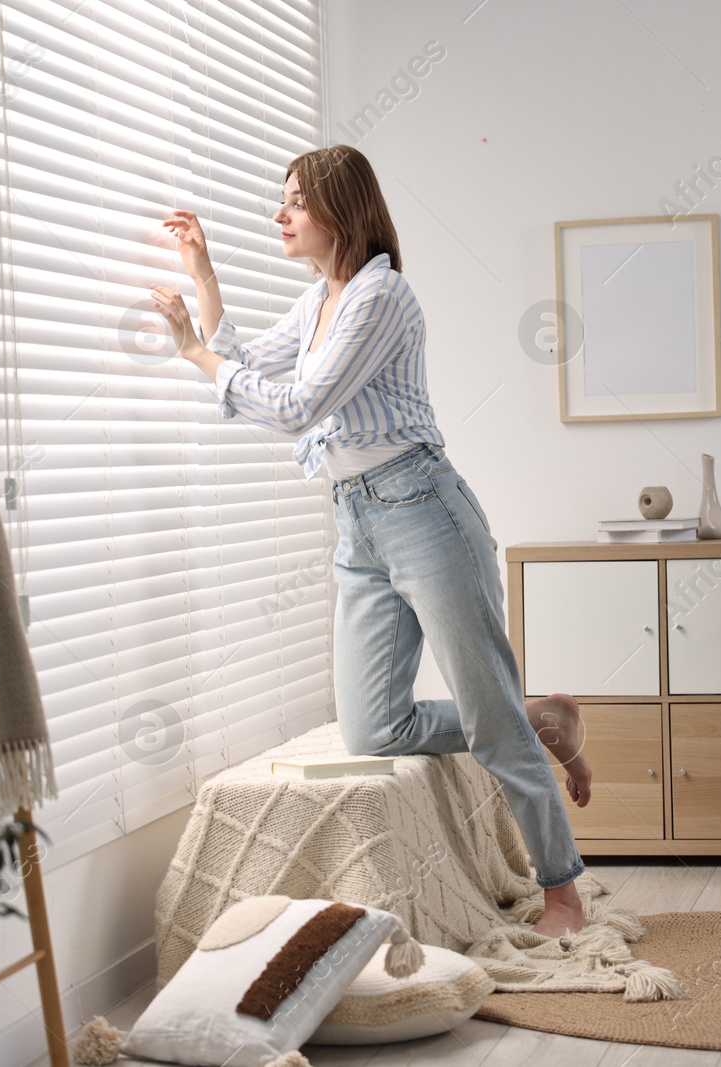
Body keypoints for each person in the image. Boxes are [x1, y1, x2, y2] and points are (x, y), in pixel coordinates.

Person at [146, 144, 594, 936]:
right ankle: (539, 716)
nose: (278, 215)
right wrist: (203, 275)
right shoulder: (325, 297)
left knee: (486, 719)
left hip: (423, 510)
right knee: (373, 727)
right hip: (356, 516)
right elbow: (247, 362)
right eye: (279, 201)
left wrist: (194, 353)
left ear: (339, 208)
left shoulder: (381, 297)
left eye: (294, 202)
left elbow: (294, 407)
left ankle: (563, 891)